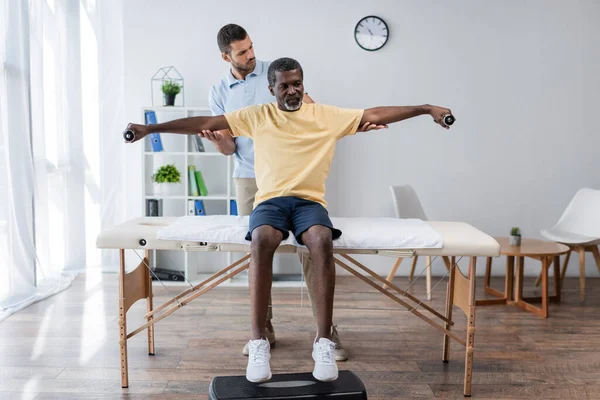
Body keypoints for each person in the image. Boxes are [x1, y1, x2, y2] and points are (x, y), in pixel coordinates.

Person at [124, 57, 453, 383]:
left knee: (322, 240)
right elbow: (205, 121)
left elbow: (375, 113)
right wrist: (151, 128)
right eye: (285, 86)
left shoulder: (325, 115)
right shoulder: (257, 116)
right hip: (270, 202)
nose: (292, 91)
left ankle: (323, 341)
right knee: (262, 238)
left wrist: (425, 109)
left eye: (297, 84)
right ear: (272, 89)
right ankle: (258, 342)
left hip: (310, 203)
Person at [201, 23, 385, 361]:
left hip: (296, 175)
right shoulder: (218, 91)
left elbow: (310, 111)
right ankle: (263, 331)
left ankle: (326, 332)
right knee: (258, 249)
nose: (251, 55)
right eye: (242, 52)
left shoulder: (275, 74)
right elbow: (228, 148)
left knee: (311, 247)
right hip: (250, 176)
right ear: (225, 57)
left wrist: (356, 124)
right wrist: (220, 140)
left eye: (251, 47)